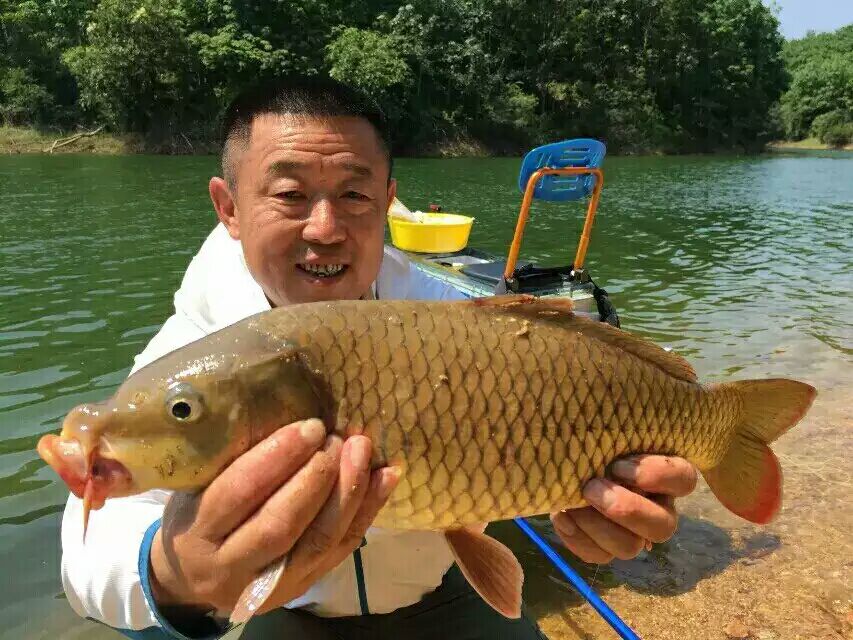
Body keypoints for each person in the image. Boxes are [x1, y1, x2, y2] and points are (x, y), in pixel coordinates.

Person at [59, 77, 698, 640]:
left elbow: (570, 430)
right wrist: (175, 575)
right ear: (229, 206)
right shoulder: (195, 346)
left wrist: (609, 509)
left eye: (355, 196)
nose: (325, 227)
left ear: (388, 200)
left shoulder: (448, 316)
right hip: (286, 613)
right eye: (288, 195)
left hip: (439, 593)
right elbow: (86, 564)